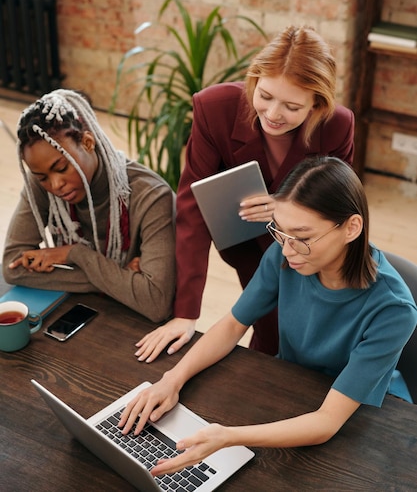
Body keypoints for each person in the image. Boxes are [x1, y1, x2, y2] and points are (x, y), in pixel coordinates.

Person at [119, 156, 417, 478]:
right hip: (286, 388)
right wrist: (171, 380)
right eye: (281, 231)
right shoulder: (286, 254)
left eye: (302, 238)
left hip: (346, 419)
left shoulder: (394, 310)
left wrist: (228, 437)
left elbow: (328, 421)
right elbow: (234, 324)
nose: (287, 250)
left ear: (351, 228)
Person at [136, 25, 355, 360]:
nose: (273, 114)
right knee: (269, 328)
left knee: (311, 332)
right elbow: (191, 211)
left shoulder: (338, 125)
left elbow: (340, 205)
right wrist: (186, 313)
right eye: (265, 96)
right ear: (254, 80)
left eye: (292, 107)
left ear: (317, 104)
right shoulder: (214, 109)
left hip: (309, 243)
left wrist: (286, 206)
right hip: (244, 241)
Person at [2, 89, 176, 322]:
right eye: (42, 177)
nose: (55, 184)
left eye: (62, 168)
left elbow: (155, 302)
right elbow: (13, 266)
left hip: (137, 327)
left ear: (87, 143)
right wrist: (121, 276)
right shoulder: (40, 184)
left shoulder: (152, 195)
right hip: (79, 309)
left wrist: (74, 254)